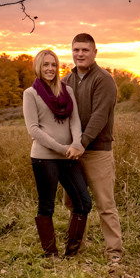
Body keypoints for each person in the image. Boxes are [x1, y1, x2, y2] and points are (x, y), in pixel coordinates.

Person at [22, 48, 92, 257]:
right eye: (46, 64)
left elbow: (75, 120)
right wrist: (63, 148)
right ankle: (50, 254)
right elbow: (33, 129)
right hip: (44, 158)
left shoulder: (67, 91)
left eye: (53, 64)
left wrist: (77, 144)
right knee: (46, 205)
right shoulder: (31, 94)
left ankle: (71, 252)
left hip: (69, 156)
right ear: (38, 67)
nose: (50, 68)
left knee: (83, 203)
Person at [62, 33, 123, 263]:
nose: (80, 54)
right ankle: (77, 248)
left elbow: (99, 116)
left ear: (95, 52)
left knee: (105, 204)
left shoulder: (103, 79)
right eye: (76, 50)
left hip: (97, 151)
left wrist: (82, 143)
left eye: (85, 50)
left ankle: (114, 253)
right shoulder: (66, 81)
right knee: (74, 203)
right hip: (72, 153)